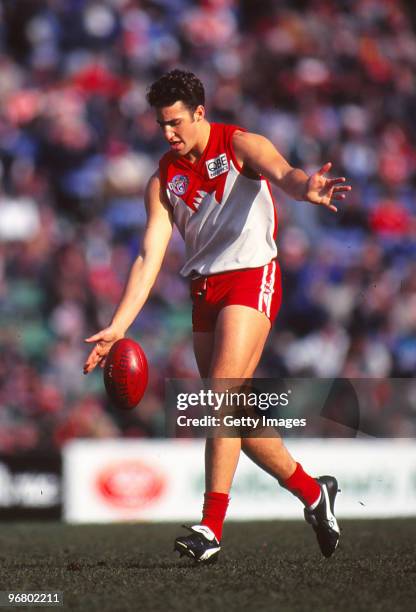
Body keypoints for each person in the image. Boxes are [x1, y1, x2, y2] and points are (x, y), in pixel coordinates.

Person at [84, 69, 351, 563]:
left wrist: (305, 187)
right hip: (204, 288)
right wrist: (119, 325)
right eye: (162, 124)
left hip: (251, 275)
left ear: (200, 113)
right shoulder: (163, 178)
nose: (168, 133)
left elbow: (284, 173)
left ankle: (210, 527)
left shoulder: (240, 145)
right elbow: (149, 255)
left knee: (222, 393)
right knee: (232, 415)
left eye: (176, 122)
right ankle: (315, 493)